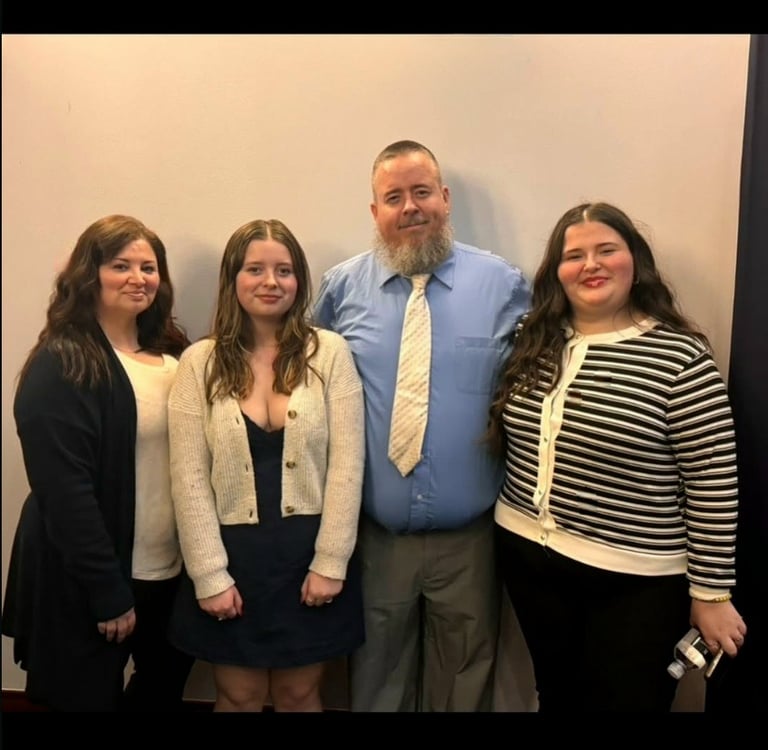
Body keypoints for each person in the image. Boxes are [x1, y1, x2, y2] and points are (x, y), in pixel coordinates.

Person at [486, 201, 748, 712]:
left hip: (638, 582)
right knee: (556, 695)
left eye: (606, 250)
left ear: (636, 262)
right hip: (529, 560)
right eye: (574, 255)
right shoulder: (532, 341)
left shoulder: (680, 358)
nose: (591, 265)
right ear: (557, 271)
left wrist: (711, 593)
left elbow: (712, 480)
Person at [313, 140, 531, 712]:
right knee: (376, 679)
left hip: (472, 542)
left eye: (421, 192)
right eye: (393, 197)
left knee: (466, 679)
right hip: (376, 541)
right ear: (374, 211)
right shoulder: (340, 291)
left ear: (445, 198)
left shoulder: (505, 286)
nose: (409, 207)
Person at [167, 218, 365, 712]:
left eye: (284, 270)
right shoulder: (199, 362)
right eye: (255, 269)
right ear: (233, 278)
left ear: (299, 280)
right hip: (233, 559)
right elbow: (188, 479)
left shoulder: (329, 353)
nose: (271, 282)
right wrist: (209, 574)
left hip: (309, 557)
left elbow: (347, 466)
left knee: (300, 693)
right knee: (240, 694)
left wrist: (331, 562)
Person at [2, 214, 194, 711]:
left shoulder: (175, 355)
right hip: (91, 578)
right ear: (89, 275)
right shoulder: (62, 363)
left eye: (148, 267)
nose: (138, 278)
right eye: (120, 265)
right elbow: (64, 493)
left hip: (167, 570)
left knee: (163, 691)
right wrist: (107, 591)